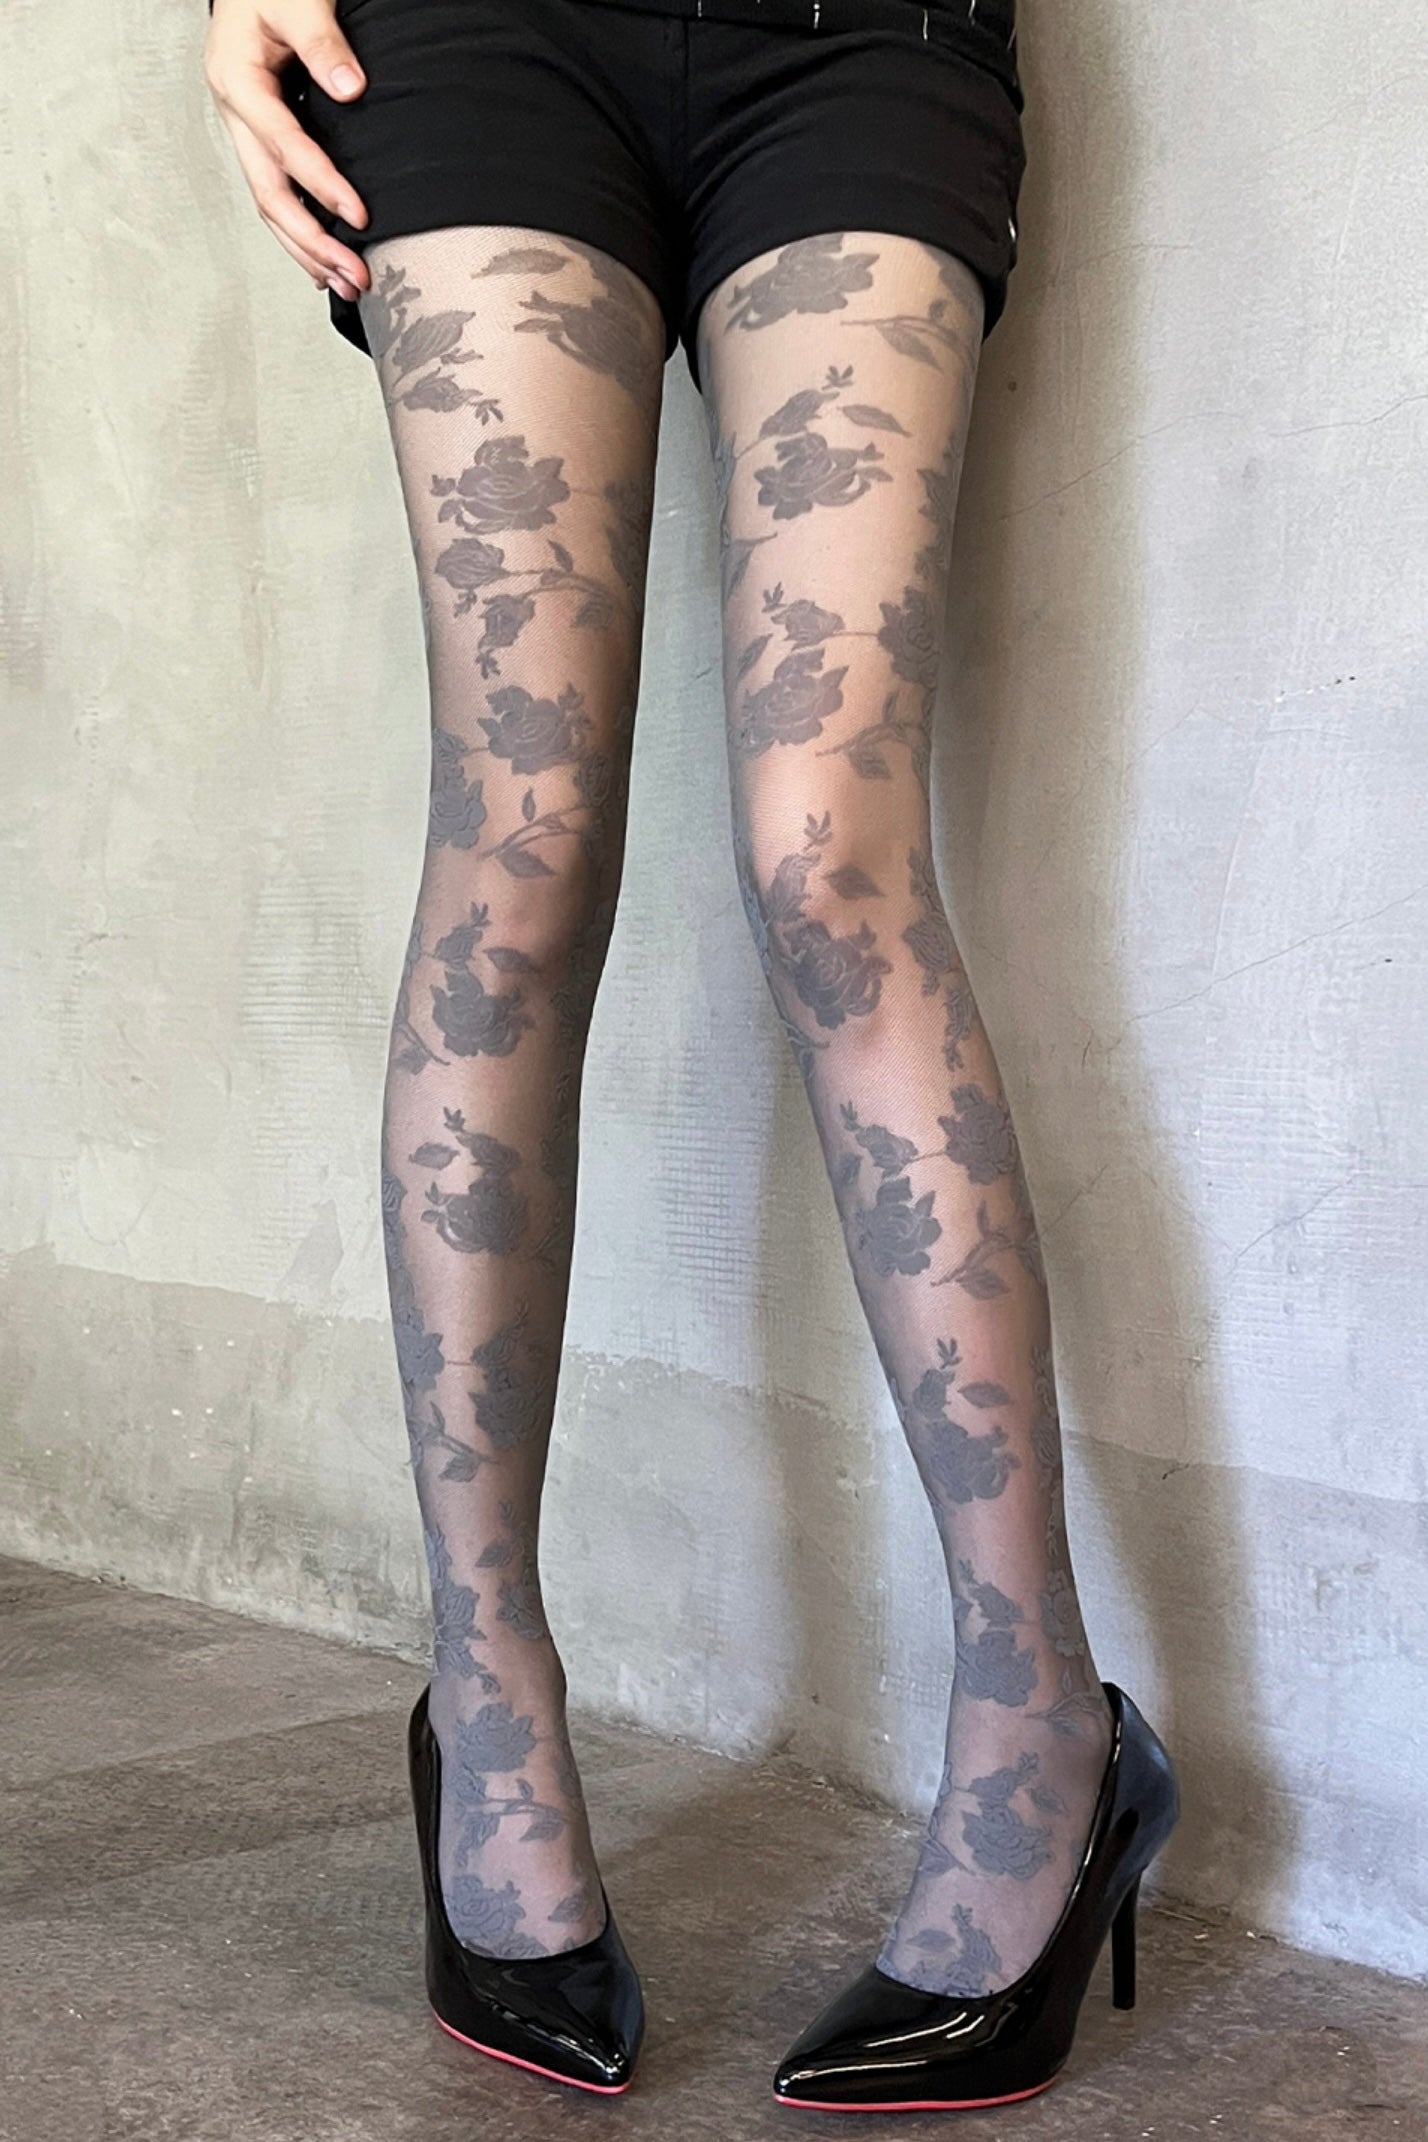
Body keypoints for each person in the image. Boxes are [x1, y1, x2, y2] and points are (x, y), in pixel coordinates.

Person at [203, 0, 1180, 2111]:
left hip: (859, 35)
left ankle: (1046, 1726)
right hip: (470, 38)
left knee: (833, 852)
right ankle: (487, 1703)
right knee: (521, 839)